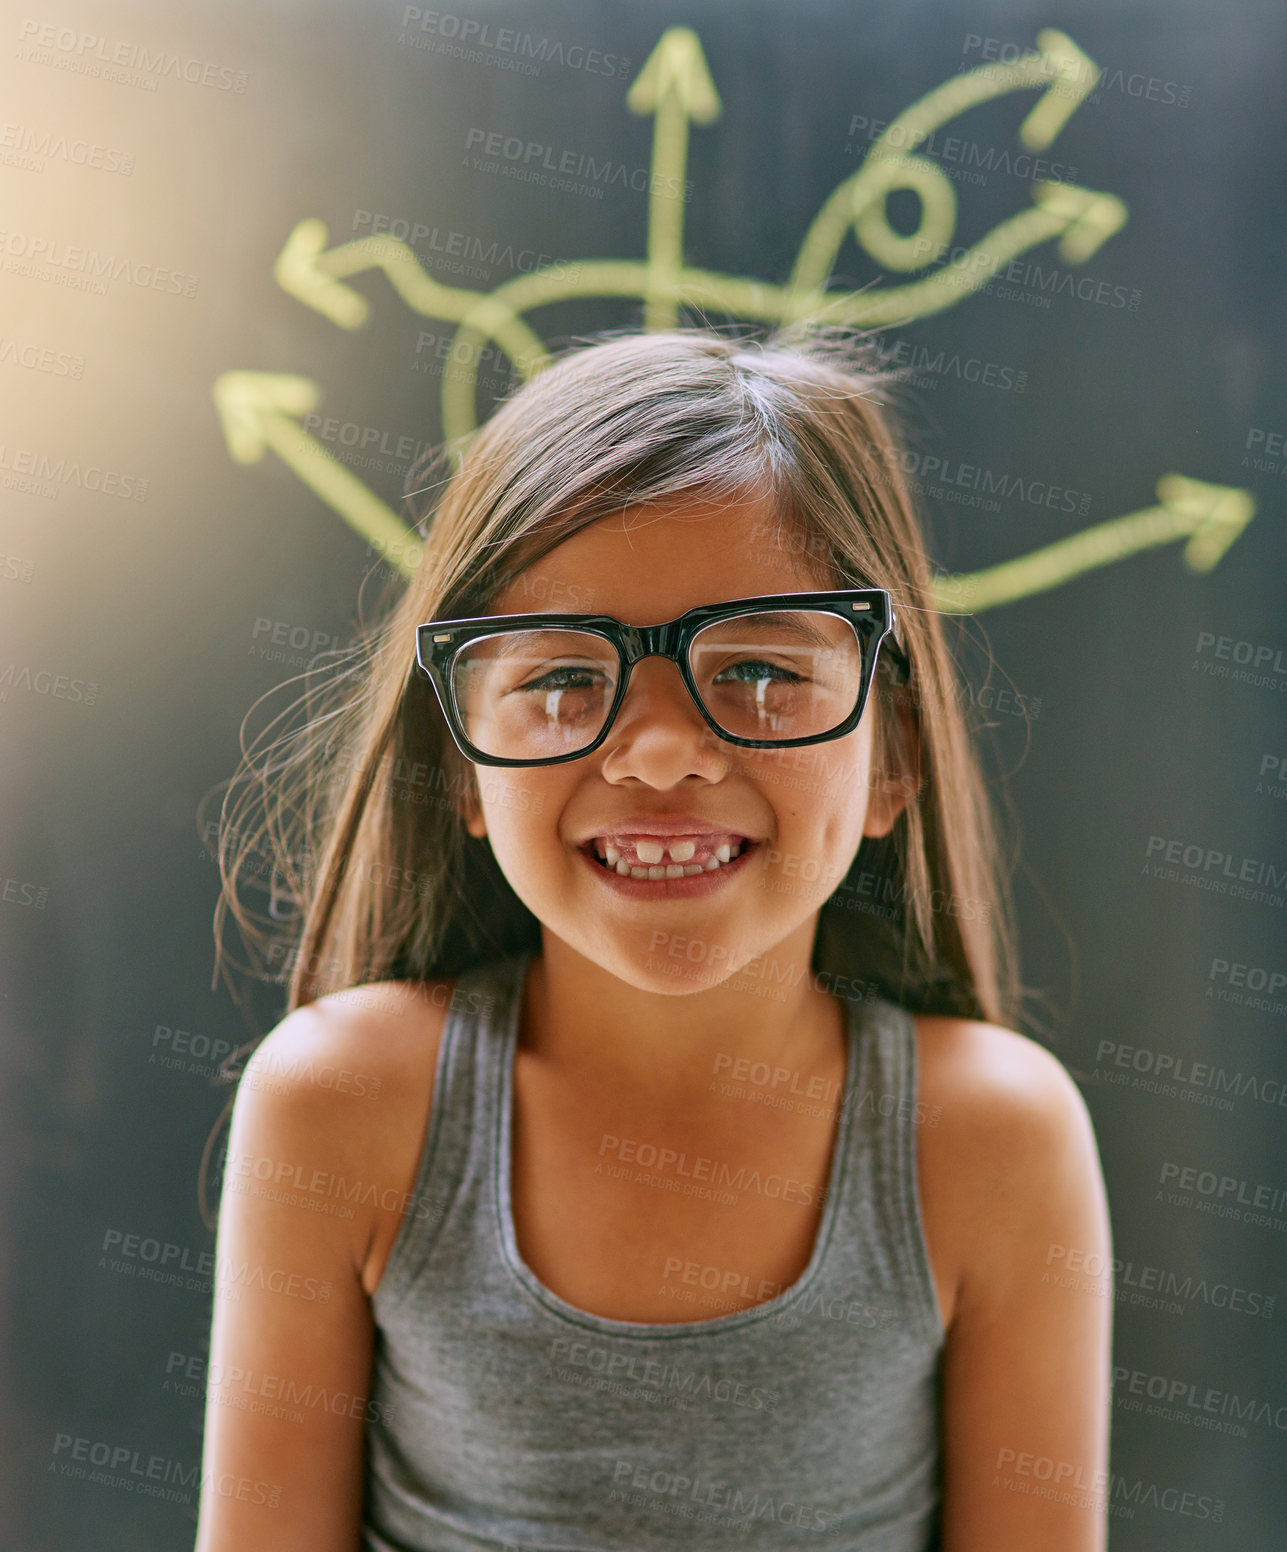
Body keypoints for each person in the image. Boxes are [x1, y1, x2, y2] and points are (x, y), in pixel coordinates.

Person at [194, 326, 1113, 1552]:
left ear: (892, 753)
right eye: (567, 681)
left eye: (758, 671)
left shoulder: (992, 1139)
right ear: (466, 766)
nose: (663, 748)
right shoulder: (342, 1105)